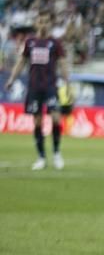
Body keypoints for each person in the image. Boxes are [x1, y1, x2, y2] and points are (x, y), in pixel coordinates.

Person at [3, 12, 70, 170]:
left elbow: (62, 63)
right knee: (37, 121)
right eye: (41, 21)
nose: (44, 24)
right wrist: (12, 79)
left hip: (50, 87)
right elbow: (21, 62)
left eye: (46, 21)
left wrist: (67, 83)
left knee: (55, 118)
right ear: (37, 24)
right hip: (34, 87)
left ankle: (56, 153)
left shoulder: (55, 43)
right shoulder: (30, 42)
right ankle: (41, 157)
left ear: (49, 24)